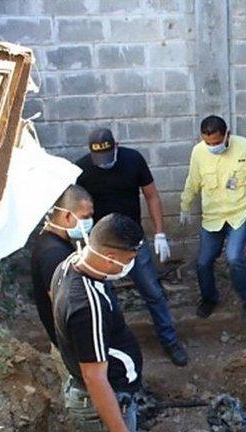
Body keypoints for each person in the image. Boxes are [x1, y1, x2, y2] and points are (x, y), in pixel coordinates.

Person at [76, 128, 188, 366]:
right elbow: (79, 209)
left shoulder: (132, 159)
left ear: (116, 145)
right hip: (101, 245)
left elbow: (152, 196)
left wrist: (159, 233)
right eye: (99, 160)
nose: (104, 164)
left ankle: (170, 341)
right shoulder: (83, 170)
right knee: (104, 298)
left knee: (153, 292)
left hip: (132, 241)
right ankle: (111, 350)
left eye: (108, 156)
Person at [179, 116, 246, 331]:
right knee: (203, 262)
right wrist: (184, 206)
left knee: (234, 257)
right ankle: (209, 298)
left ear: (227, 135)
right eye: (208, 143)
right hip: (213, 216)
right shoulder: (198, 152)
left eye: (216, 142)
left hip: (241, 211)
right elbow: (193, 181)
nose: (212, 147)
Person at [51, 213, 145, 432]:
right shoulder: (88, 305)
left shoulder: (68, 265)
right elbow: (94, 377)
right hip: (101, 404)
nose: (130, 265)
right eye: (128, 259)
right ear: (109, 256)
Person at [30, 185, 94, 346]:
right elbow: (64, 305)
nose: (89, 222)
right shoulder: (54, 254)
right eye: (85, 217)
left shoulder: (51, 241)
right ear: (67, 216)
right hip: (72, 345)